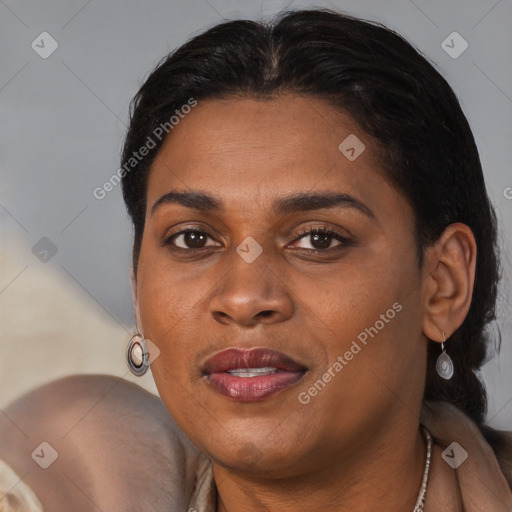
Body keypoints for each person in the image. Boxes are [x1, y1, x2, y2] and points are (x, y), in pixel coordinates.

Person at [1, 8, 511, 512]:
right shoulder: (77, 471)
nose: (244, 298)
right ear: (137, 287)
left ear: (443, 284)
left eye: (317, 240)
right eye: (194, 239)